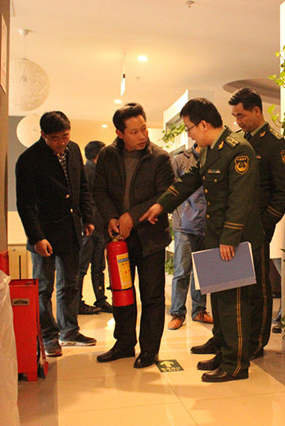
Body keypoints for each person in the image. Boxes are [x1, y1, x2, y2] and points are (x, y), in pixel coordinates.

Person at [141, 97, 263, 382]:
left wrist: (230, 237)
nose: (189, 134)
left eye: (190, 128)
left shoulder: (238, 150)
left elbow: (241, 199)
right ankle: (223, 352)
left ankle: (236, 365)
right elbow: (189, 181)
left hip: (234, 240)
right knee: (218, 301)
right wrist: (161, 205)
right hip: (216, 236)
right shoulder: (210, 151)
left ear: (204, 124)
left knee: (233, 303)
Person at [191, 88, 285, 359]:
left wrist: (264, 223)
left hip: (255, 228)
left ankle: (255, 342)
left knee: (257, 288)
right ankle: (223, 340)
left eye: (241, 115)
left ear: (257, 111)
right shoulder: (236, 141)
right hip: (233, 226)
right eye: (234, 116)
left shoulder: (275, 144)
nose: (237, 121)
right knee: (225, 286)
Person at [92, 103, 175, 369]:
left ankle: (149, 350)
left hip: (150, 239)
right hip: (119, 239)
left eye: (144, 129)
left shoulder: (159, 158)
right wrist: (111, 217)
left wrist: (132, 215)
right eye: (134, 132)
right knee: (122, 293)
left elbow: (165, 196)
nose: (142, 136)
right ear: (119, 133)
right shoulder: (107, 156)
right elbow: (99, 191)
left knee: (152, 296)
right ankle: (124, 344)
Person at [16, 111, 97, 357]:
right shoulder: (29, 159)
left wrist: (88, 217)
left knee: (70, 283)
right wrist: (37, 237)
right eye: (55, 138)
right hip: (44, 233)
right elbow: (25, 204)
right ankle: (49, 336)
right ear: (43, 135)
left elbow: (82, 187)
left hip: (71, 229)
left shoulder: (74, 150)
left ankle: (69, 331)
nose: (61, 142)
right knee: (44, 287)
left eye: (65, 136)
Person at [168, 143, 213, 330]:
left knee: (203, 271)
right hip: (185, 226)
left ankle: (199, 310)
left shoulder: (215, 158)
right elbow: (170, 191)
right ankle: (177, 313)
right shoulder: (180, 160)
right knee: (181, 272)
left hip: (208, 225)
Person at [77, 140, 113, 315]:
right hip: (90, 228)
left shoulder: (94, 172)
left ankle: (100, 299)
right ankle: (78, 303)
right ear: (99, 155)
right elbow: (88, 202)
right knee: (83, 267)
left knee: (98, 266)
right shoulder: (88, 172)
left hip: (96, 227)